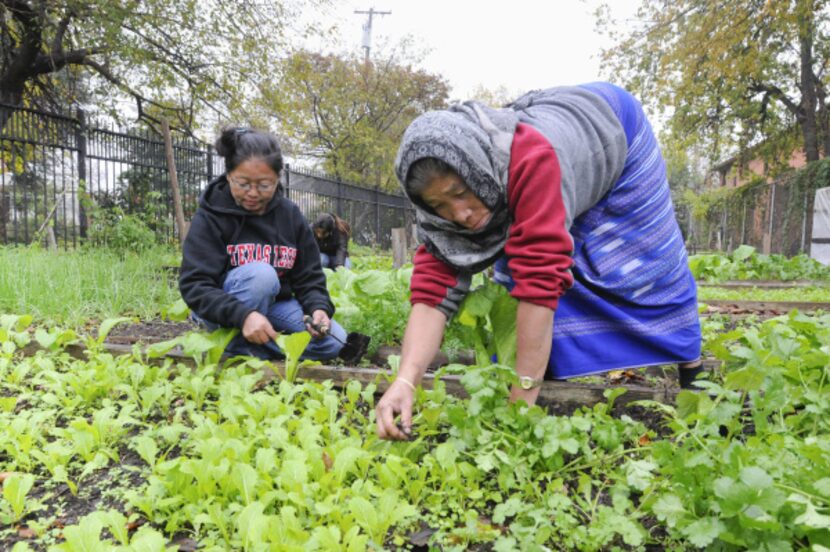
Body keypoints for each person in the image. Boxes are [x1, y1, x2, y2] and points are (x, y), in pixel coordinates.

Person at [376, 82, 703, 440]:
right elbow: (434, 290)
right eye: (439, 206)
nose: (460, 214)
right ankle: (550, 370)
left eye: (460, 193)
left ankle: (692, 367)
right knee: (518, 266)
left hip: (613, 129)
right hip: (554, 139)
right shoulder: (459, 189)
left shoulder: (532, 160)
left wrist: (519, 412)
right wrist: (405, 379)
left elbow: (538, 283)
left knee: (641, 264)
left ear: (478, 170)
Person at [179, 127, 346, 361]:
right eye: (243, 184)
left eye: (265, 185)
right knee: (262, 275)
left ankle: (239, 348)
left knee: (333, 342)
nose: (253, 193)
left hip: (274, 308)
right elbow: (194, 284)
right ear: (228, 175)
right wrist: (243, 315)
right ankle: (225, 336)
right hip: (222, 309)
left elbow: (309, 277)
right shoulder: (211, 216)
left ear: (277, 179)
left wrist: (318, 309)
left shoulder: (290, 215)